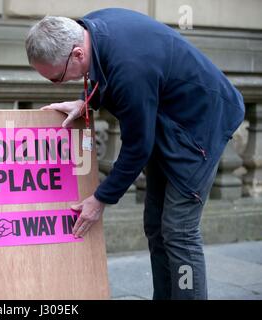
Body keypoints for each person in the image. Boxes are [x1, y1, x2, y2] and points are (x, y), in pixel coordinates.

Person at [25, 8, 245, 300]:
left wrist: (101, 199)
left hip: (200, 127)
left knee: (178, 230)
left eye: (57, 78)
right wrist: (85, 101)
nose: (59, 84)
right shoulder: (91, 28)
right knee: (155, 224)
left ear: (77, 54)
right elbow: (105, 74)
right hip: (166, 120)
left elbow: (137, 146)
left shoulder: (131, 68)